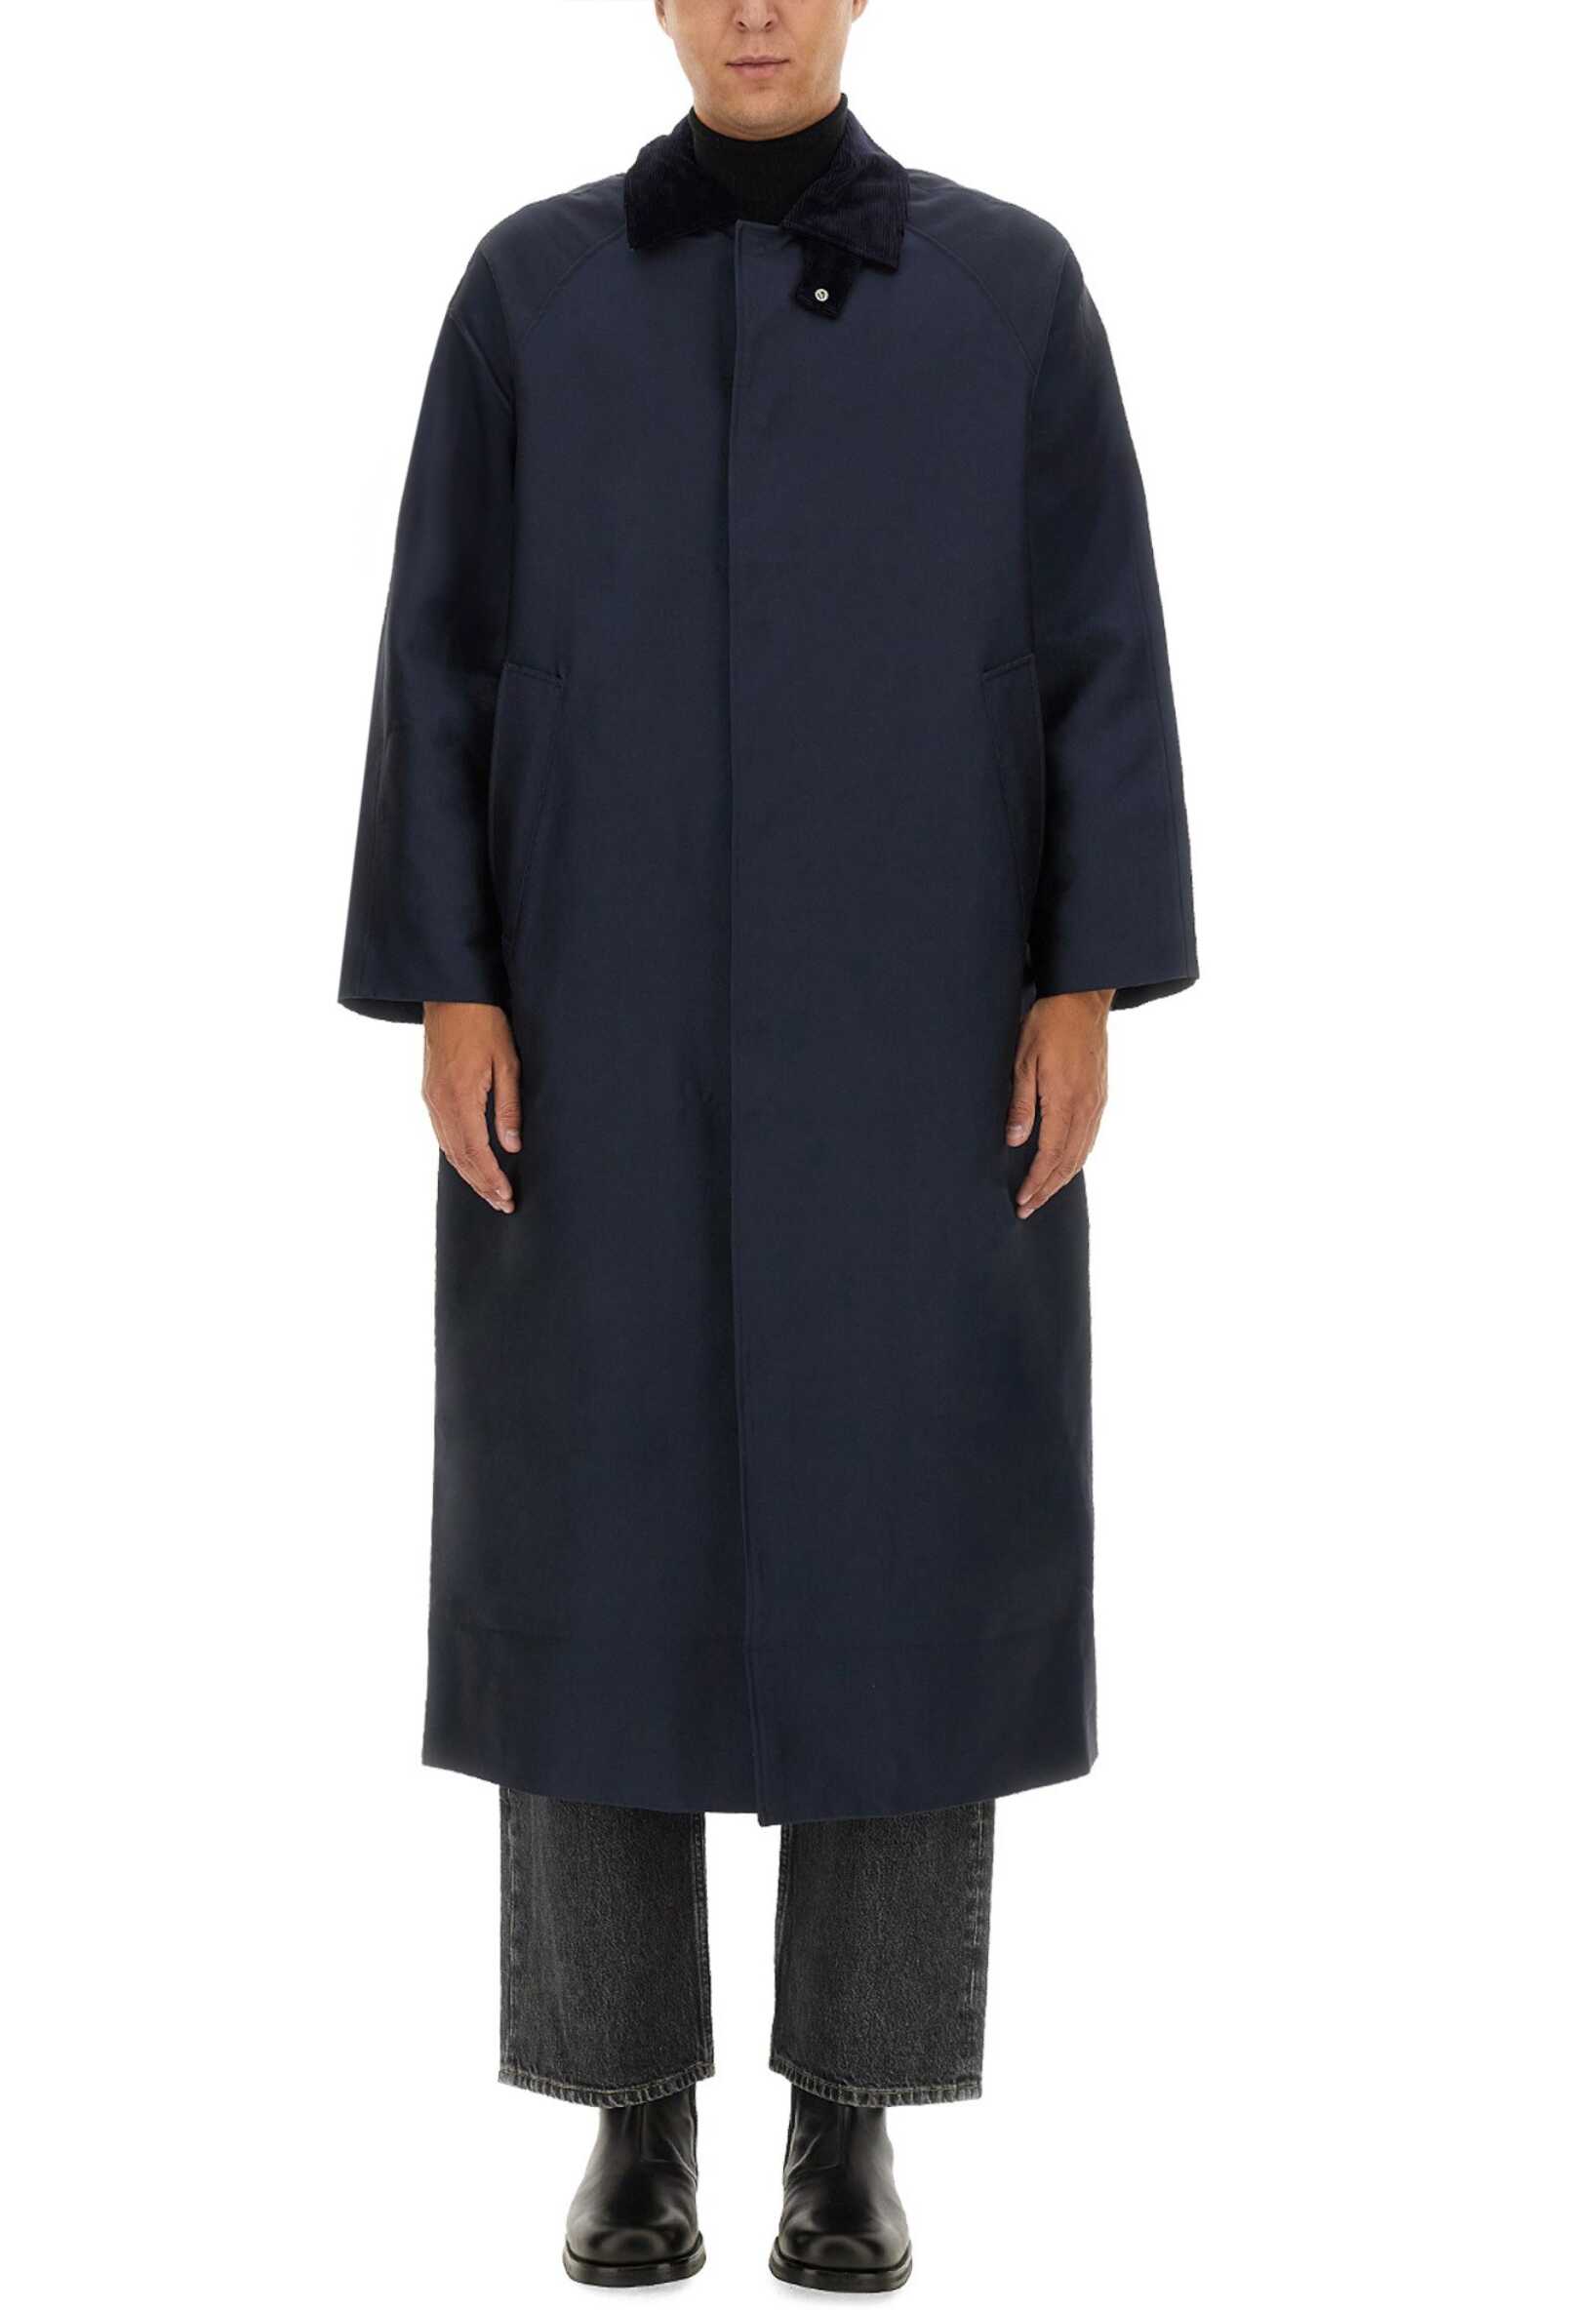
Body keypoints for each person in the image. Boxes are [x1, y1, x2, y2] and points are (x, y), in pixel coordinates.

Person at [339, 0, 1196, 2290]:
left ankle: (853, 2114)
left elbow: (1100, 646)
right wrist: (451, 974)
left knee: (906, 1517)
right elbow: (439, 648)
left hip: (924, 1028)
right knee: (592, 1517)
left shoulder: (1011, 294)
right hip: (590, 1022)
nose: (754, 9)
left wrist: (1087, 973)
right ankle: (628, 2107)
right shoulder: (529, 293)